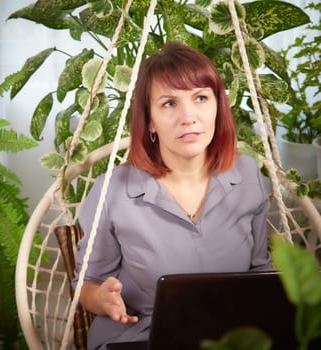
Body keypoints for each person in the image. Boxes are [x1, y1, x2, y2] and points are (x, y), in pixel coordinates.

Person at [72, 41, 272, 349]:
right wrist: (102, 298)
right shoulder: (112, 191)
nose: (188, 117)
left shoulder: (248, 177)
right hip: (142, 336)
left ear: (217, 107)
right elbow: (87, 285)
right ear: (149, 120)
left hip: (229, 337)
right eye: (169, 103)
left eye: (201, 98)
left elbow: (261, 272)